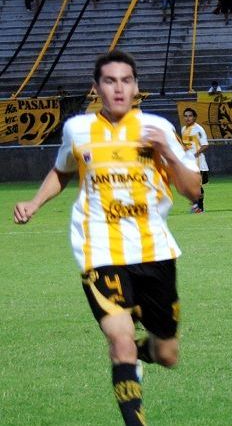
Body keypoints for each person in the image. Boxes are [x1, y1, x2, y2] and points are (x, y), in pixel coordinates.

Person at [12, 50, 201, 425]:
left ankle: (137, 355)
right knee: (119, 337)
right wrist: (35, 202)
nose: (118, 88)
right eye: (110, 81)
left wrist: (167, 153)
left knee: (167, 354)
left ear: (136, 87)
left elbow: (193, 190)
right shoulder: (78, 130)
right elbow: (62, 171)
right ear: (96, 87)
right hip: (99, 248)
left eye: (126, 80)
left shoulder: (159, 129)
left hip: (154, 250)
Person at [182, 108, 210, 213]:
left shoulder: (198, 129)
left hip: (199, 162)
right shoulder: (183, 129)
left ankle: (200, 207)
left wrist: (195, 154)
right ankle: (195, 205)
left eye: (190, 116)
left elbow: (205, 145)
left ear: (194, 117)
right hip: (188, 163)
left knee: (197, 185)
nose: (187, 118)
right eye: (185, 116)